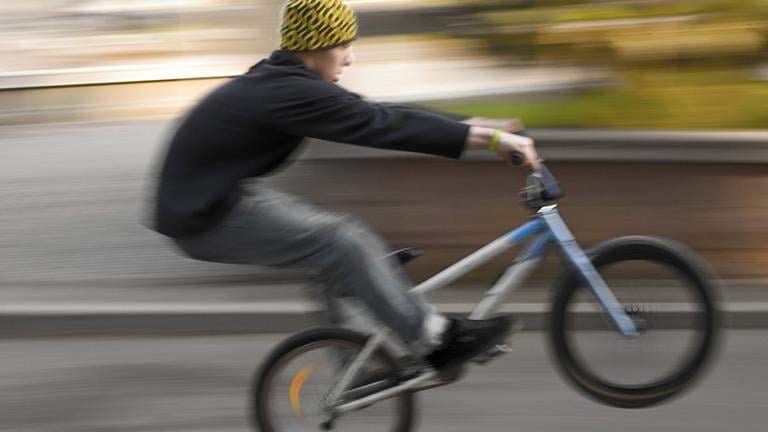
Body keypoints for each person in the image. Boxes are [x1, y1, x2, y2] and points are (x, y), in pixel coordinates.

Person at [150, 0, 540, 371]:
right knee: (337, 240)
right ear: (317, 46)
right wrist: (489, 141)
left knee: (343, 239)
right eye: (343, 46)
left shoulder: (285, 81)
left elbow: (378, 112)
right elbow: (383, 126)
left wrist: (471, 123)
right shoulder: (291, 93)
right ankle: (435, 341)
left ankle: (355, 363)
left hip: (218, 195)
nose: (349, 58)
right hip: (202, 216)